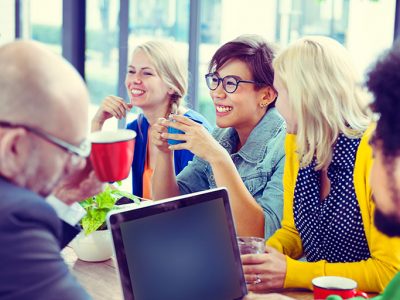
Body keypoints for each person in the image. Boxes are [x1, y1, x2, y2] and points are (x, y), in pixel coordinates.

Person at [241, 36, 400, 293]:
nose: (275, 102)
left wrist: (294, 273)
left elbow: (390, 272)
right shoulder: (297, 141)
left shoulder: (376, 153)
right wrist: (269, 254)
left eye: (279, 93)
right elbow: (293, 230)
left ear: (306, 97)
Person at [151, 34, 286, 239]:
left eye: (231, 83)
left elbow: (263, 236)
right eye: (216, 80)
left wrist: (219, 158)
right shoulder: (221, 135)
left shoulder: (286, 145)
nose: (217, 93)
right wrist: (164, 152)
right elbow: (170, 206)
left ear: (266, 96)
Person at [0, 40, 103, 299]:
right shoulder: (13, 216)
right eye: (70, 150)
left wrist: (63, 199)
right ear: (14, 147)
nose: (78, 164)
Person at [91, 40, 212, 199]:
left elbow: (187, 207)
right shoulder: (137, 128)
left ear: (172, 86)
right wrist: (96, 124)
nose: (135, 79)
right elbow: (100, 183)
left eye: (147, 73)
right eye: (131, 71)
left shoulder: (191, 131)